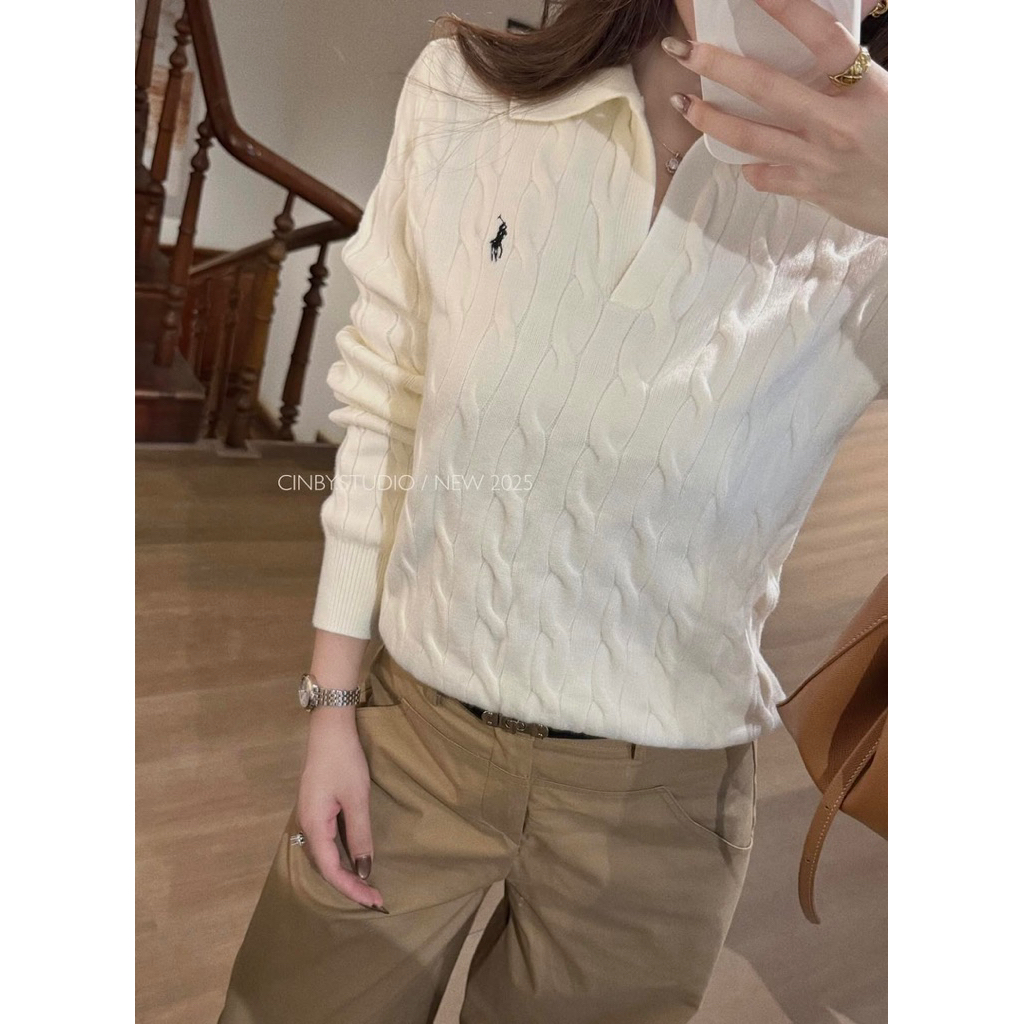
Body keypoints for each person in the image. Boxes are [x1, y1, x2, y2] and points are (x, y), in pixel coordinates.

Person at [217, 1, 888, 1021]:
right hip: (411, 743)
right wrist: (332, 707)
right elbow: (387, 403)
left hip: (659, 807)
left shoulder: (897, 212)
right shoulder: (464, 96)